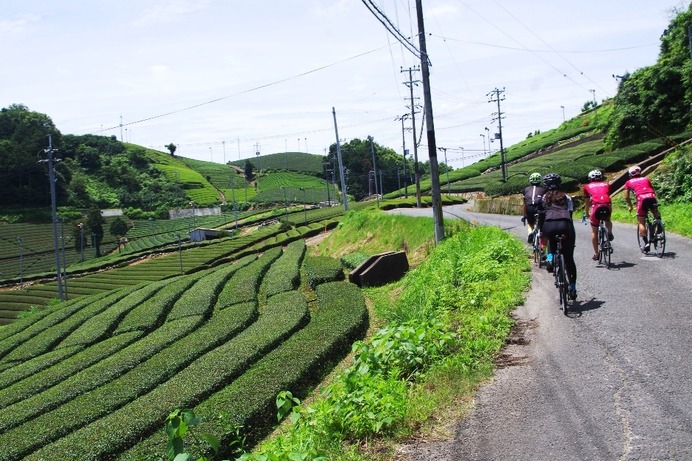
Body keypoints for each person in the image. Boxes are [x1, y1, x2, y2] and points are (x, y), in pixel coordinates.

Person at [541, 173, 577, 300]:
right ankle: (572, 287)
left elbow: (541, 216)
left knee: (551, 241)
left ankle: (550, 259)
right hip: (565, 225)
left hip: (549, 225)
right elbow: (570, 215)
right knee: (569, 259)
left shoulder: (544, 198)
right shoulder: (566, 197)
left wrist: (542, 232)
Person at [624, 165, 661, 253]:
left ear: (630, 174)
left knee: (641, 221)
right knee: (655, 212)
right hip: (651, 197)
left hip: (641, 199)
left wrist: (630, 206)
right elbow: (652, 189)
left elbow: (626, 197)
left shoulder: (628, 182)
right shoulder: (646, 179)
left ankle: (646, 243)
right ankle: (658, 223)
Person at [583, 169, 614, 261]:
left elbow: (587, 202)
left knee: (594, 231)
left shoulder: (587, 187)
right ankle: (609, 232)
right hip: (607, 206)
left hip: (596, 207)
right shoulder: (606, 184)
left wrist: (586, 213)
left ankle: (596, 254)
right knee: (607, 220)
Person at [521, 172, 546, 244]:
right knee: (542, 225)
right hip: (539, 208)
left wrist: (524, 215)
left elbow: (524, 204)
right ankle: (542, 245)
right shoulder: (544, 189)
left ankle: (530, 233)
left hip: (529, 208)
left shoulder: (526, 189)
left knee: (530, 223)